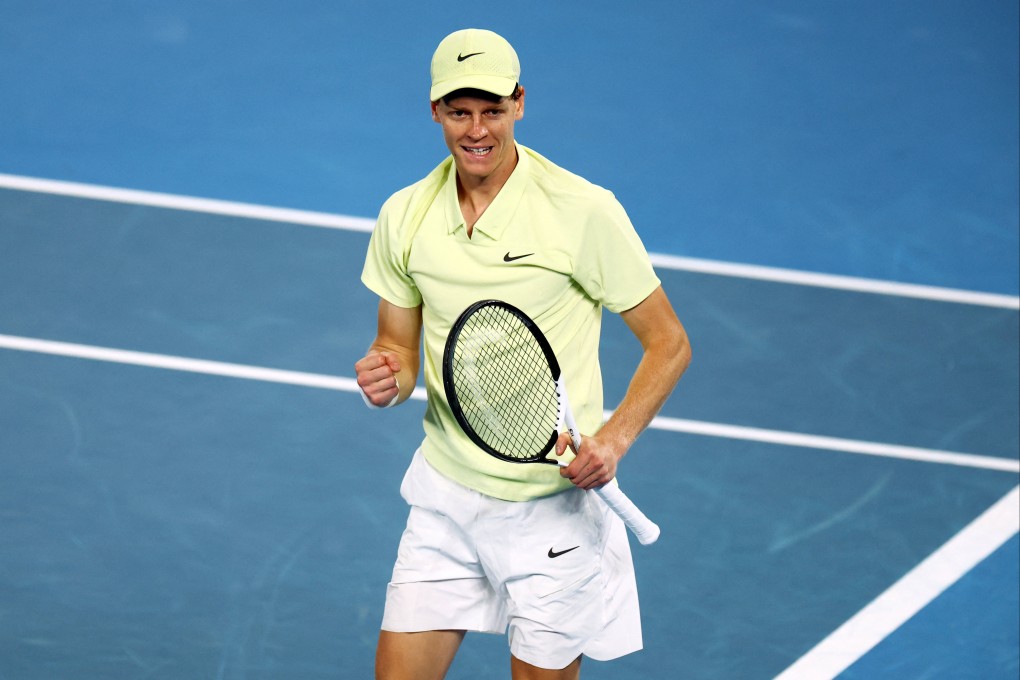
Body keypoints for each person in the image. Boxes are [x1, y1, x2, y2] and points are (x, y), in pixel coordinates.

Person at [355, 28, 691, 680]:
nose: (477, 129)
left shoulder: (583, 211)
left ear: (519, 104)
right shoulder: (404, 216)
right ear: (435, 113)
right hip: (446, 500)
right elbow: (396, 346)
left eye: (493, 110)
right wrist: (387, 374)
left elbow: (669, 343)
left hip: (551, 517)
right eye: (459, 111)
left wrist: (614, 440)